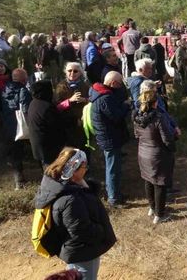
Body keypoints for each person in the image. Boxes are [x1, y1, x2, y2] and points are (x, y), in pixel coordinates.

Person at [34, 147, 116, 280]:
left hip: (78, 250)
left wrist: (85, 186)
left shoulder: (64, 186)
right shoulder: (71, 199)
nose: (86, 168)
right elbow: (81, 231)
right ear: (74, 168)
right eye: (84, 165)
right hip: (83, 252)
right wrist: (102, 231)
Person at [133, 87, 176, 224]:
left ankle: (152, 207)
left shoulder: (136, 116)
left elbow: (136, 135)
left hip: (143, 153)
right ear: (155, 103)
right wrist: (174, 141)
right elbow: (167, 138)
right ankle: (160, 214)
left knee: (148, 180)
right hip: (158, 154)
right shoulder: (158, 117)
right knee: (160, 183)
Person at [89, 71, 131, 207]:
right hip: (109, 137)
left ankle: (116, 193)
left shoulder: (99, 93)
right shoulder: (105, 98)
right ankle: (113, 198)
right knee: (112, 168)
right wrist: (126, 105)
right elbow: (116, 116)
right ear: (113, 83)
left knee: (114, 166)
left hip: (107, 136)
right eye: (119, 84)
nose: (120, 88)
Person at [0, 68, 32, 188]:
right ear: (24, 79)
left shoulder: (5, 88)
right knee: (17, 154)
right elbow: (25, 109)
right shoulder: (23, 90)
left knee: (2, 151)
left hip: (6, 125)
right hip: (18, 127)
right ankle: (19, 183)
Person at [28, 80, 66, 168]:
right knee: (51, 170)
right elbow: (56, 126)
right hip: (48, 146)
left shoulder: (34, 103)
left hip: (38, 145)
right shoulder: (46, 107)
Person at [55, 63, 90, 150]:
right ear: (65, 72)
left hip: (83, 120)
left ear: (80, 73)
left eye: (75, 71)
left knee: (84, 146)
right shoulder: (60, 86)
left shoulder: (85, 85)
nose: (72, 73)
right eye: (69, 71)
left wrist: (85, 100)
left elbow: (93, 100)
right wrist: (70, 100)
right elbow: (57, 106)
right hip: (67, 122)